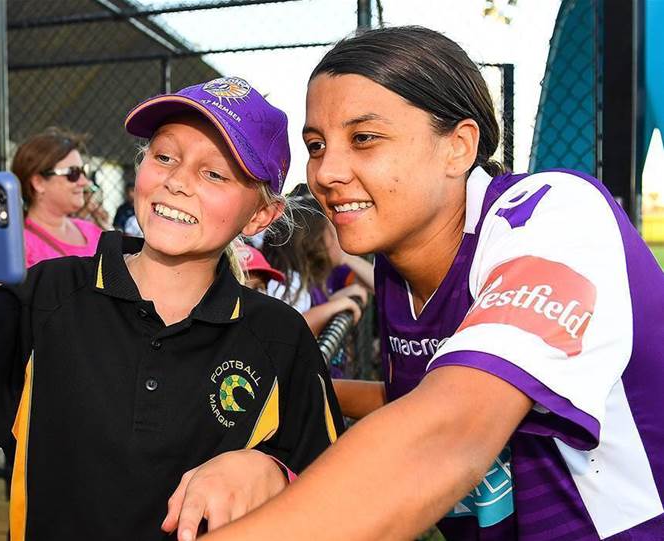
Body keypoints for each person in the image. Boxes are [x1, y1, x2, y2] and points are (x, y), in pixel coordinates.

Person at [0, 76, 343, 541]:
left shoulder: (278, 337)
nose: (177, 180)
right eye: (164, 155)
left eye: (216, 175)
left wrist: (274, 472)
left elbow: (338, 497)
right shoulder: (45, 301)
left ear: (261, 215)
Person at [202, 26, 664, 541]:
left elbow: (448, 432)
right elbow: (422, 397)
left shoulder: (551, 215)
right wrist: (298, 394)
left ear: (458, 147)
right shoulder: (397, 268)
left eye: (364, 138)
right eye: (316, 145)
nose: (326, 172)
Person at [263, 198, 371, 336]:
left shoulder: (320, 276)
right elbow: (289, 331)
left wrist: (346, 258)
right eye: (333, 232)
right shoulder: (287, 282)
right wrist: (335, 306)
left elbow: (377, 284)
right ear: (315, 240)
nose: (339, 239)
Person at [11, 127, 103, 267]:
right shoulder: (16, 245)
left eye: (84, 171)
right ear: (38, 183)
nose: (84, 182)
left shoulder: (93, 232)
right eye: (73, 173)